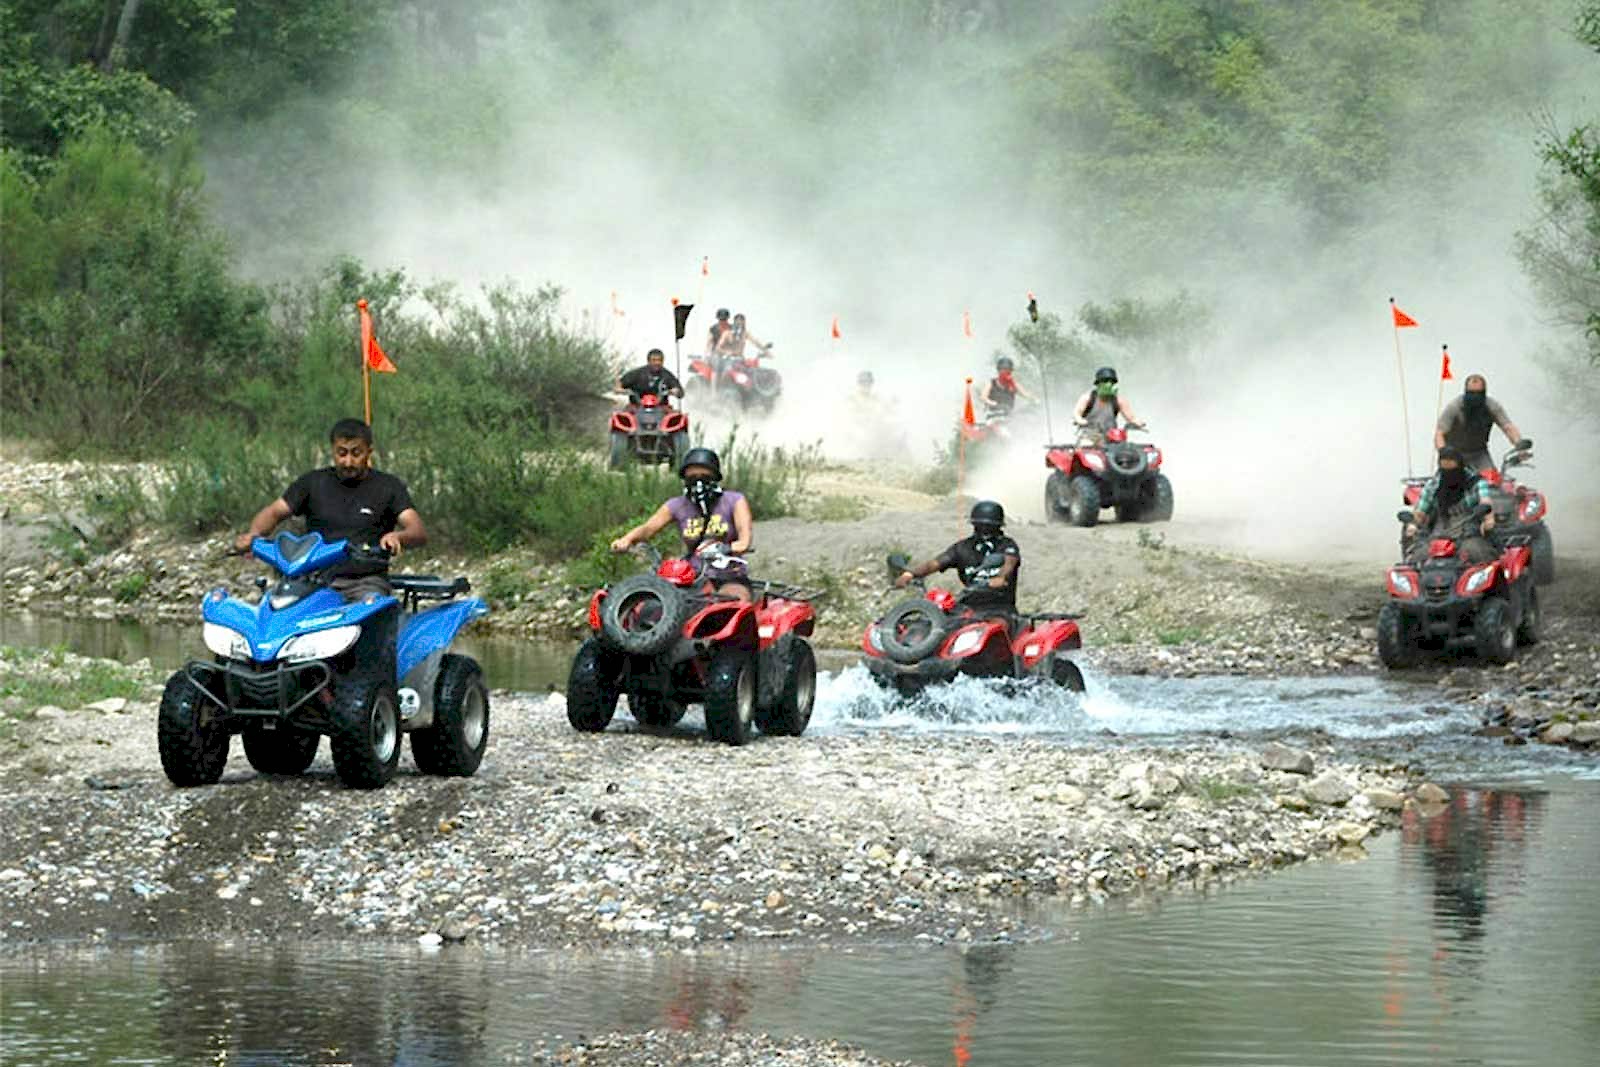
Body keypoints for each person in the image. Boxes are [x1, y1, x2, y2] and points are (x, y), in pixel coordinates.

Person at [234, 418, 426, 598]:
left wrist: (398, 537)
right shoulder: (312, 483)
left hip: (365, 582)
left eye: (356, 453)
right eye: (341, 453)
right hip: (314, 580)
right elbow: (274, 512)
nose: (348, 462)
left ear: (369, 452)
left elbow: (417, 531)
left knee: (371, 610)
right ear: (332, 451)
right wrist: (254, 535)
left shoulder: (388, 486)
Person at [610, 447, 755, 601]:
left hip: (729, 575)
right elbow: (648, 528)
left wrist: (726, 548)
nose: (699, 482)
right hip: (690, 575)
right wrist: (627, 539)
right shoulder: (677, 505)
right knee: (657, 605)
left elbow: (745, 539)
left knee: (733, 603)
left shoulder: (734, 501)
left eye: (705, 477)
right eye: (692, 478)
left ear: (715, 477)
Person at [894, 500, 1020, 613]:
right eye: (980, 525)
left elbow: (1009, 563)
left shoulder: (1007, 545)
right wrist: (910, 574)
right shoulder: (963, 547)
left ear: (998, 527)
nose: (984, 530)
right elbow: (935, 563)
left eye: (989, 527)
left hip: (1000, 608)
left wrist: (1001, 578)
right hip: (968, 606)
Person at [1406, 446, 1498, 563]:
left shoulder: (1476, 483)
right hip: (1437, 537)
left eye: (1453, 470)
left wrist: (1488, 520)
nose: (1449, 475)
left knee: (1481, 556)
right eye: (1445, 470)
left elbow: (1485, 502)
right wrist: (1413, 524)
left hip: (1468, 535)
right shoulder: (1433, 486)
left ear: (1460, 465)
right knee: (1416, 559)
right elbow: (1420, 512)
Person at [1434, 374, 1525, 474]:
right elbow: (1440, 433)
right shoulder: (1455, 407)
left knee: (1492, 481)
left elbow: (1508, 427)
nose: (1475, 397)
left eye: (1478, 393)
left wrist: (1519, 444)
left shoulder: (1491, 406)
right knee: (1450, 483)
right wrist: (1444, 452)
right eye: (1471, 393)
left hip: (1479, 454)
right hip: (1454, 455)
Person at [1073, 366, 1145, 444]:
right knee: (1086, 445)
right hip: (1089, 436)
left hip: (1112, 436)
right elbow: (1077, 413)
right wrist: (1080, 421)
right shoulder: (1088, 398)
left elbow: (1131, 417)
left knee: (1124, 450)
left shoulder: (1118, 400)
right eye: (1105, 381)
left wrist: (1139, 423)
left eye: (1112, 382)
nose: (1109, 384)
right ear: (1098, 383)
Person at [617, 348, 683, 401]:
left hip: (661, 409)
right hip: (636, 408)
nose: (657, 363)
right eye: (654, 360)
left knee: (677, 417)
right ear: (648, 361)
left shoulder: (667, 375)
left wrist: (675, 391)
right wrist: (621, 390)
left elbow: (680, 392)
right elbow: (620, 384)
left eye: (659, 360)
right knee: (620, 416)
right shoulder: (637, 373)